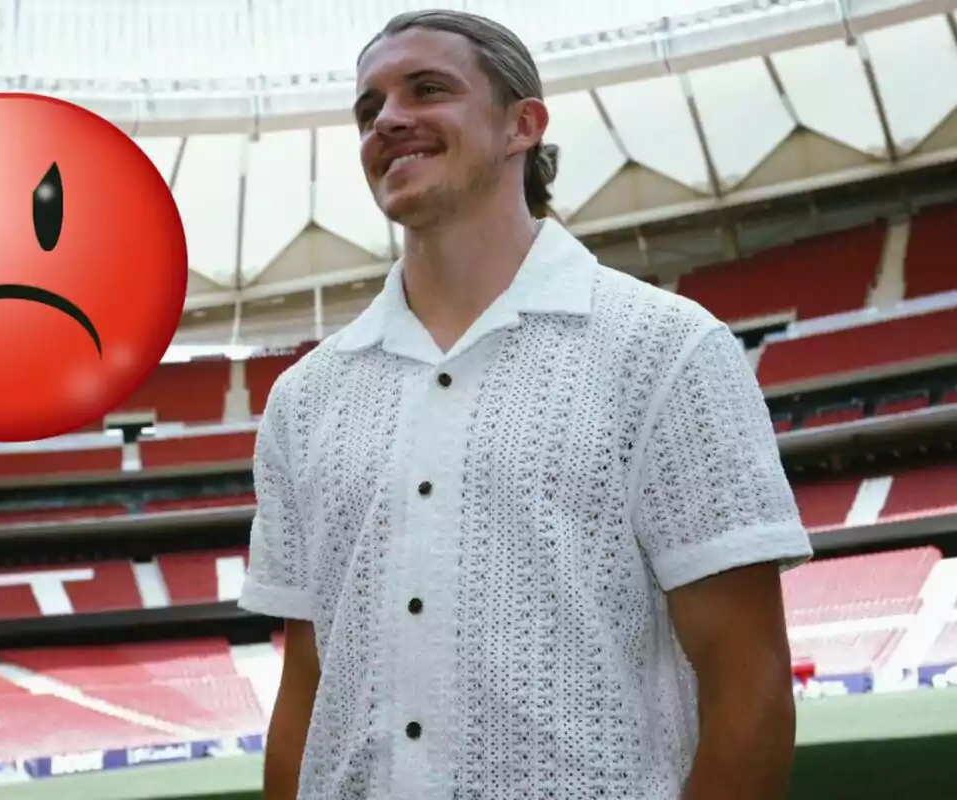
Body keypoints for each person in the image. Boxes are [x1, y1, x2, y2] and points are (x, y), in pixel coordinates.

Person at [238, 9, 813, 800]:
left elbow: (748, 681)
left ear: (523, 125)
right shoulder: (302, 400)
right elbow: (306, 682)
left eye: (427, 89)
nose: (389, 120)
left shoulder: (667, 349)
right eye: (370, 110)